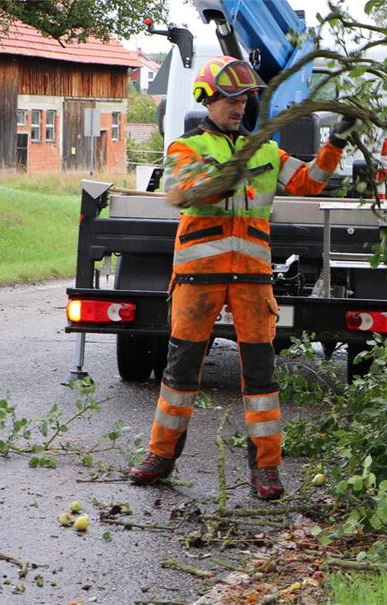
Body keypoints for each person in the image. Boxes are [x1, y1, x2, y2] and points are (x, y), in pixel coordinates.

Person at [129, 56, 356, 499]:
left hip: (253, 278)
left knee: (261, 376)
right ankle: (161, 455)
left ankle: (266, 469)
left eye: (245, 99)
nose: (239, 107)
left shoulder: (267, 150)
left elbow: (310, 182)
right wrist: (238, 167)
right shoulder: (185, 149)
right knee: (180, 372)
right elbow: (185, 191)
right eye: (231, 99)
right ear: (207, 99)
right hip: (198, 279)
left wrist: (337, 141)